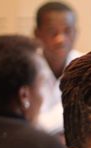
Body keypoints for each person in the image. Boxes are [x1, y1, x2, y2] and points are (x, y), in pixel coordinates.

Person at [34, 1, 82, 136]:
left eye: (67, 31)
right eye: (52, 32)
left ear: (76, 33)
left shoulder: (87, 67)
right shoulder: (26, 69)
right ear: (37, 34)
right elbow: (25, 121)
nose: (61, 39)